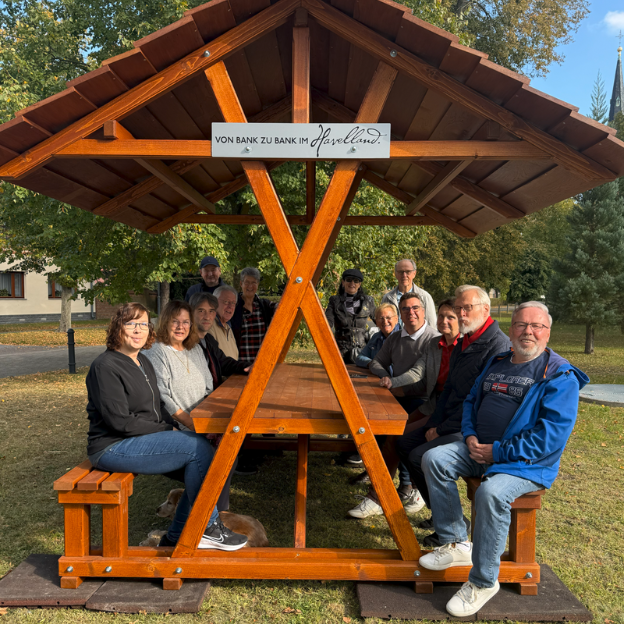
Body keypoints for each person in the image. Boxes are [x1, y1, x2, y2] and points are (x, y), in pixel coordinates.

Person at [419, 302, 588, 617]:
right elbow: (471, 400)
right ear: (511, 330)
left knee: (490, 493)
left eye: (536, 326)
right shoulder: (498, 362)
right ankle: (456, 542)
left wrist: (497, 452)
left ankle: (483, 581)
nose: (528, 331)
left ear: (548, 333)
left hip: (526, 463)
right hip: (480, 449)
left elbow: (549, 439)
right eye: (521, 324)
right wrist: (470, 435)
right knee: (434, 459)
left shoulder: (559, 376)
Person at [85, 302, 247, 550]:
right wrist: (167, 430)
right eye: (131, 323)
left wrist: (171, 427)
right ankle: (208, 526)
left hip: (139, 438)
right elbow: (120, 421)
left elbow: (157, 406)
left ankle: (174, 539)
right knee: (198, 450)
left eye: (143, 324)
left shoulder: (141, 361)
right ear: (118, 327)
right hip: (111, 447)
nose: (138, 330)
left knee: (203, 462)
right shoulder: (105, 366)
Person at [396, 285, 510, 545]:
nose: (461, 314)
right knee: (404, 443)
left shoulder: (497, 346)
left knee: (420, 456)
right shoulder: (465, 341)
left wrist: (441, 429)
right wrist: (435, 423)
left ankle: (451, 527)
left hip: (473, 431)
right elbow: (448, 390)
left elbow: (478, 402)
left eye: (466, 308)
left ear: (486, 309)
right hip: (449, 421)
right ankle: (443, 515)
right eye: (458, 308)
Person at [347, 299, 457, 519]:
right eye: (441, 316)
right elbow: (417, 372)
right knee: (393, 436)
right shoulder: (437, 344)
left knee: (401, 439)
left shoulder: (459, 347)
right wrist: (392, 382)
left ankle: (408, 491)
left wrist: (399, 388)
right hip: (431, 406)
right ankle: (380, 495)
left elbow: (448, 389)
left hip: (444, 411)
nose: (444, 321)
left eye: (451, 317)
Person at [143, 300, 213, 432]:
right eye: (175, 321)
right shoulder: (155, 351)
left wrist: (207, 422)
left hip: (201, 422)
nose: (180, 327)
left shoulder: (196, 349)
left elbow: (208, 387)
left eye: (186, 322)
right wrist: (192, 424)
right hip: (176, 427)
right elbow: (162, 398)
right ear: (165, 323)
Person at [369, 292, 439, 414]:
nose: (410, 312)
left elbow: (431, 379)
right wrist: (387, 378)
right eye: (405, 309)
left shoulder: (434, 340)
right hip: (394, 392)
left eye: (415, 308)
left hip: (422, 400)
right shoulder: (394, 338)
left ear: (423, 311)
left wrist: (404, 390)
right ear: (400, 315)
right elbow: (376, 362)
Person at [190, 292, 250, 388]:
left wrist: (248, 367)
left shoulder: (209, 339)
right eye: (201, 311)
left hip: (214, 393)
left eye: (211, 311)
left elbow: (224, 363)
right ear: (191, 313)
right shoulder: (185, 342)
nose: (207, 317)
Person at [325, 268, 376, 364]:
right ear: (343, 282)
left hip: (363, 352)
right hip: (340, 352)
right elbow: (327, 323)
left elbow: (380, 320)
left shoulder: (368, 301)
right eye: (349, 280)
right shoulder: (334, 301)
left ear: (359, 284)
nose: (352, 283)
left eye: (356, 281)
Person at [230, 267, 277, 364]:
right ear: (241, 284)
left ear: (258, 284)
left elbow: (281, 307)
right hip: (241, 363)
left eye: (254, 282)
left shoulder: (264, 305)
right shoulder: (233, 306)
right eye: (247, 282)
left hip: (262, 362)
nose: (250, 286)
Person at [382, 259, 436, 328]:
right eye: (401, 272)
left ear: (414, 273)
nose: (404, 275)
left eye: (408, 272)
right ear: (395, 274)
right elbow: (382, 324)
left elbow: (432, 325)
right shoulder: (387, 298)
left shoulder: (424, 297)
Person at [354, 302, 400, 368]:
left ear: (396, 319)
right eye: (381, 318)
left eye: (388, 317)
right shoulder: (375, 338)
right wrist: (372, 363)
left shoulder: (403, 338)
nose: (385, 321)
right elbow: (360, 358)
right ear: (376, 322)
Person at [208, 285, 240, 360]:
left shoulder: (228, 328)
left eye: (233, 303)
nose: (230, 306)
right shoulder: (208, 325)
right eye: (226, 302)